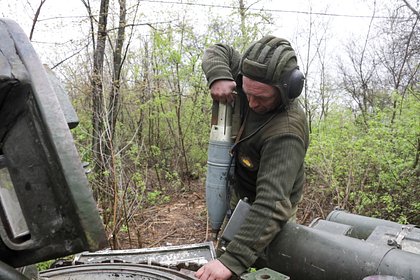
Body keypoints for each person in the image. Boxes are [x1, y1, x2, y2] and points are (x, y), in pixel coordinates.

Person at [195, 35, 309, 280]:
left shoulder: (286, 132)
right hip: (242, 197)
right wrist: (218, 75)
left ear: (287, 90)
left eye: (263, 98)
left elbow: (272, 204)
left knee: (261, 270)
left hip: (268, 217)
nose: (252, 103)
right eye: (247, 93)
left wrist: (232, 260)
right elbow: (219, 49)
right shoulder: (249, 76)